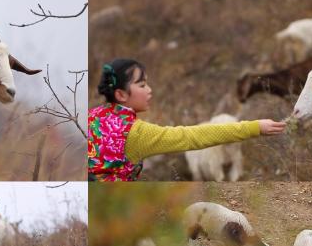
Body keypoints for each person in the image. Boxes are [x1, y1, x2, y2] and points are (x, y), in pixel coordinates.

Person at [88, 58, 286, 181]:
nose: (149, 90)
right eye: (142, 85)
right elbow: (191, 137)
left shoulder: (91, 117)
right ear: (121, 95)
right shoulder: (135, 133)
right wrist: (255, 127)